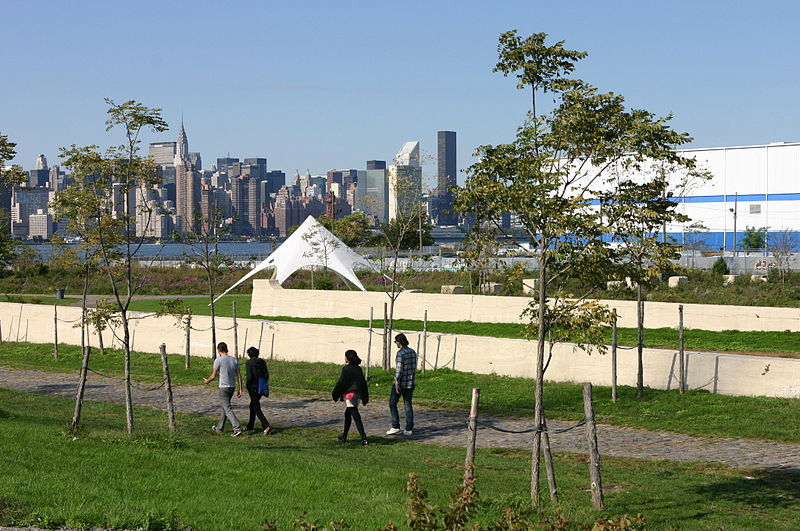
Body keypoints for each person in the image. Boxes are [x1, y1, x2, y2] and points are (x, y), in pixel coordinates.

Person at [203, 342, 244, 437]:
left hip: (223, 388)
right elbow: (239, 376)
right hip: (232, 387)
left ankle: (236, 427)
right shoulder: (234, 360)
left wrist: (207, 381)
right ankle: (219, 428)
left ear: (218, 350)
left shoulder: (218, 360)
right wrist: (240, 388)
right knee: (224, 407)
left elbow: (213, 376)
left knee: (227, 408)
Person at [332, 349, 369, 446]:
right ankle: (344, 435)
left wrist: (335, 393)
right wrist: (364, 396)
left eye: (345, 356)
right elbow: (362, 384)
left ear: (348, 358)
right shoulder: (358, 369)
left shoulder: (346, 369)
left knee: (355, 416)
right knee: (347, 414)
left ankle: (364, 438)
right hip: (357, 395)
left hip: (350, 395)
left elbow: (342, 383)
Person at [386, 333, 417, 436]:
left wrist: (397, 381)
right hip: (410, 382)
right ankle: (409, 428)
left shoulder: (400, 353)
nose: (395, 344)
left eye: (395, 342)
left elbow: (399, 369)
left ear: (399, 342)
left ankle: (395, 426)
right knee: (408, 405)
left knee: (392, 403)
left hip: (401, 383)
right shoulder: (412, 352)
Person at [245, 346, 271, 435]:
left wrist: (247, 385)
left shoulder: (249, 363)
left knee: (256, 407)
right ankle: (250, 425)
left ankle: (266, 425)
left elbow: (249, 377)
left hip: (252, 386)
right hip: (261, 386)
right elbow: (267, 375)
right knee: (252, 405)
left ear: (249, 354)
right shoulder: (262, 362)